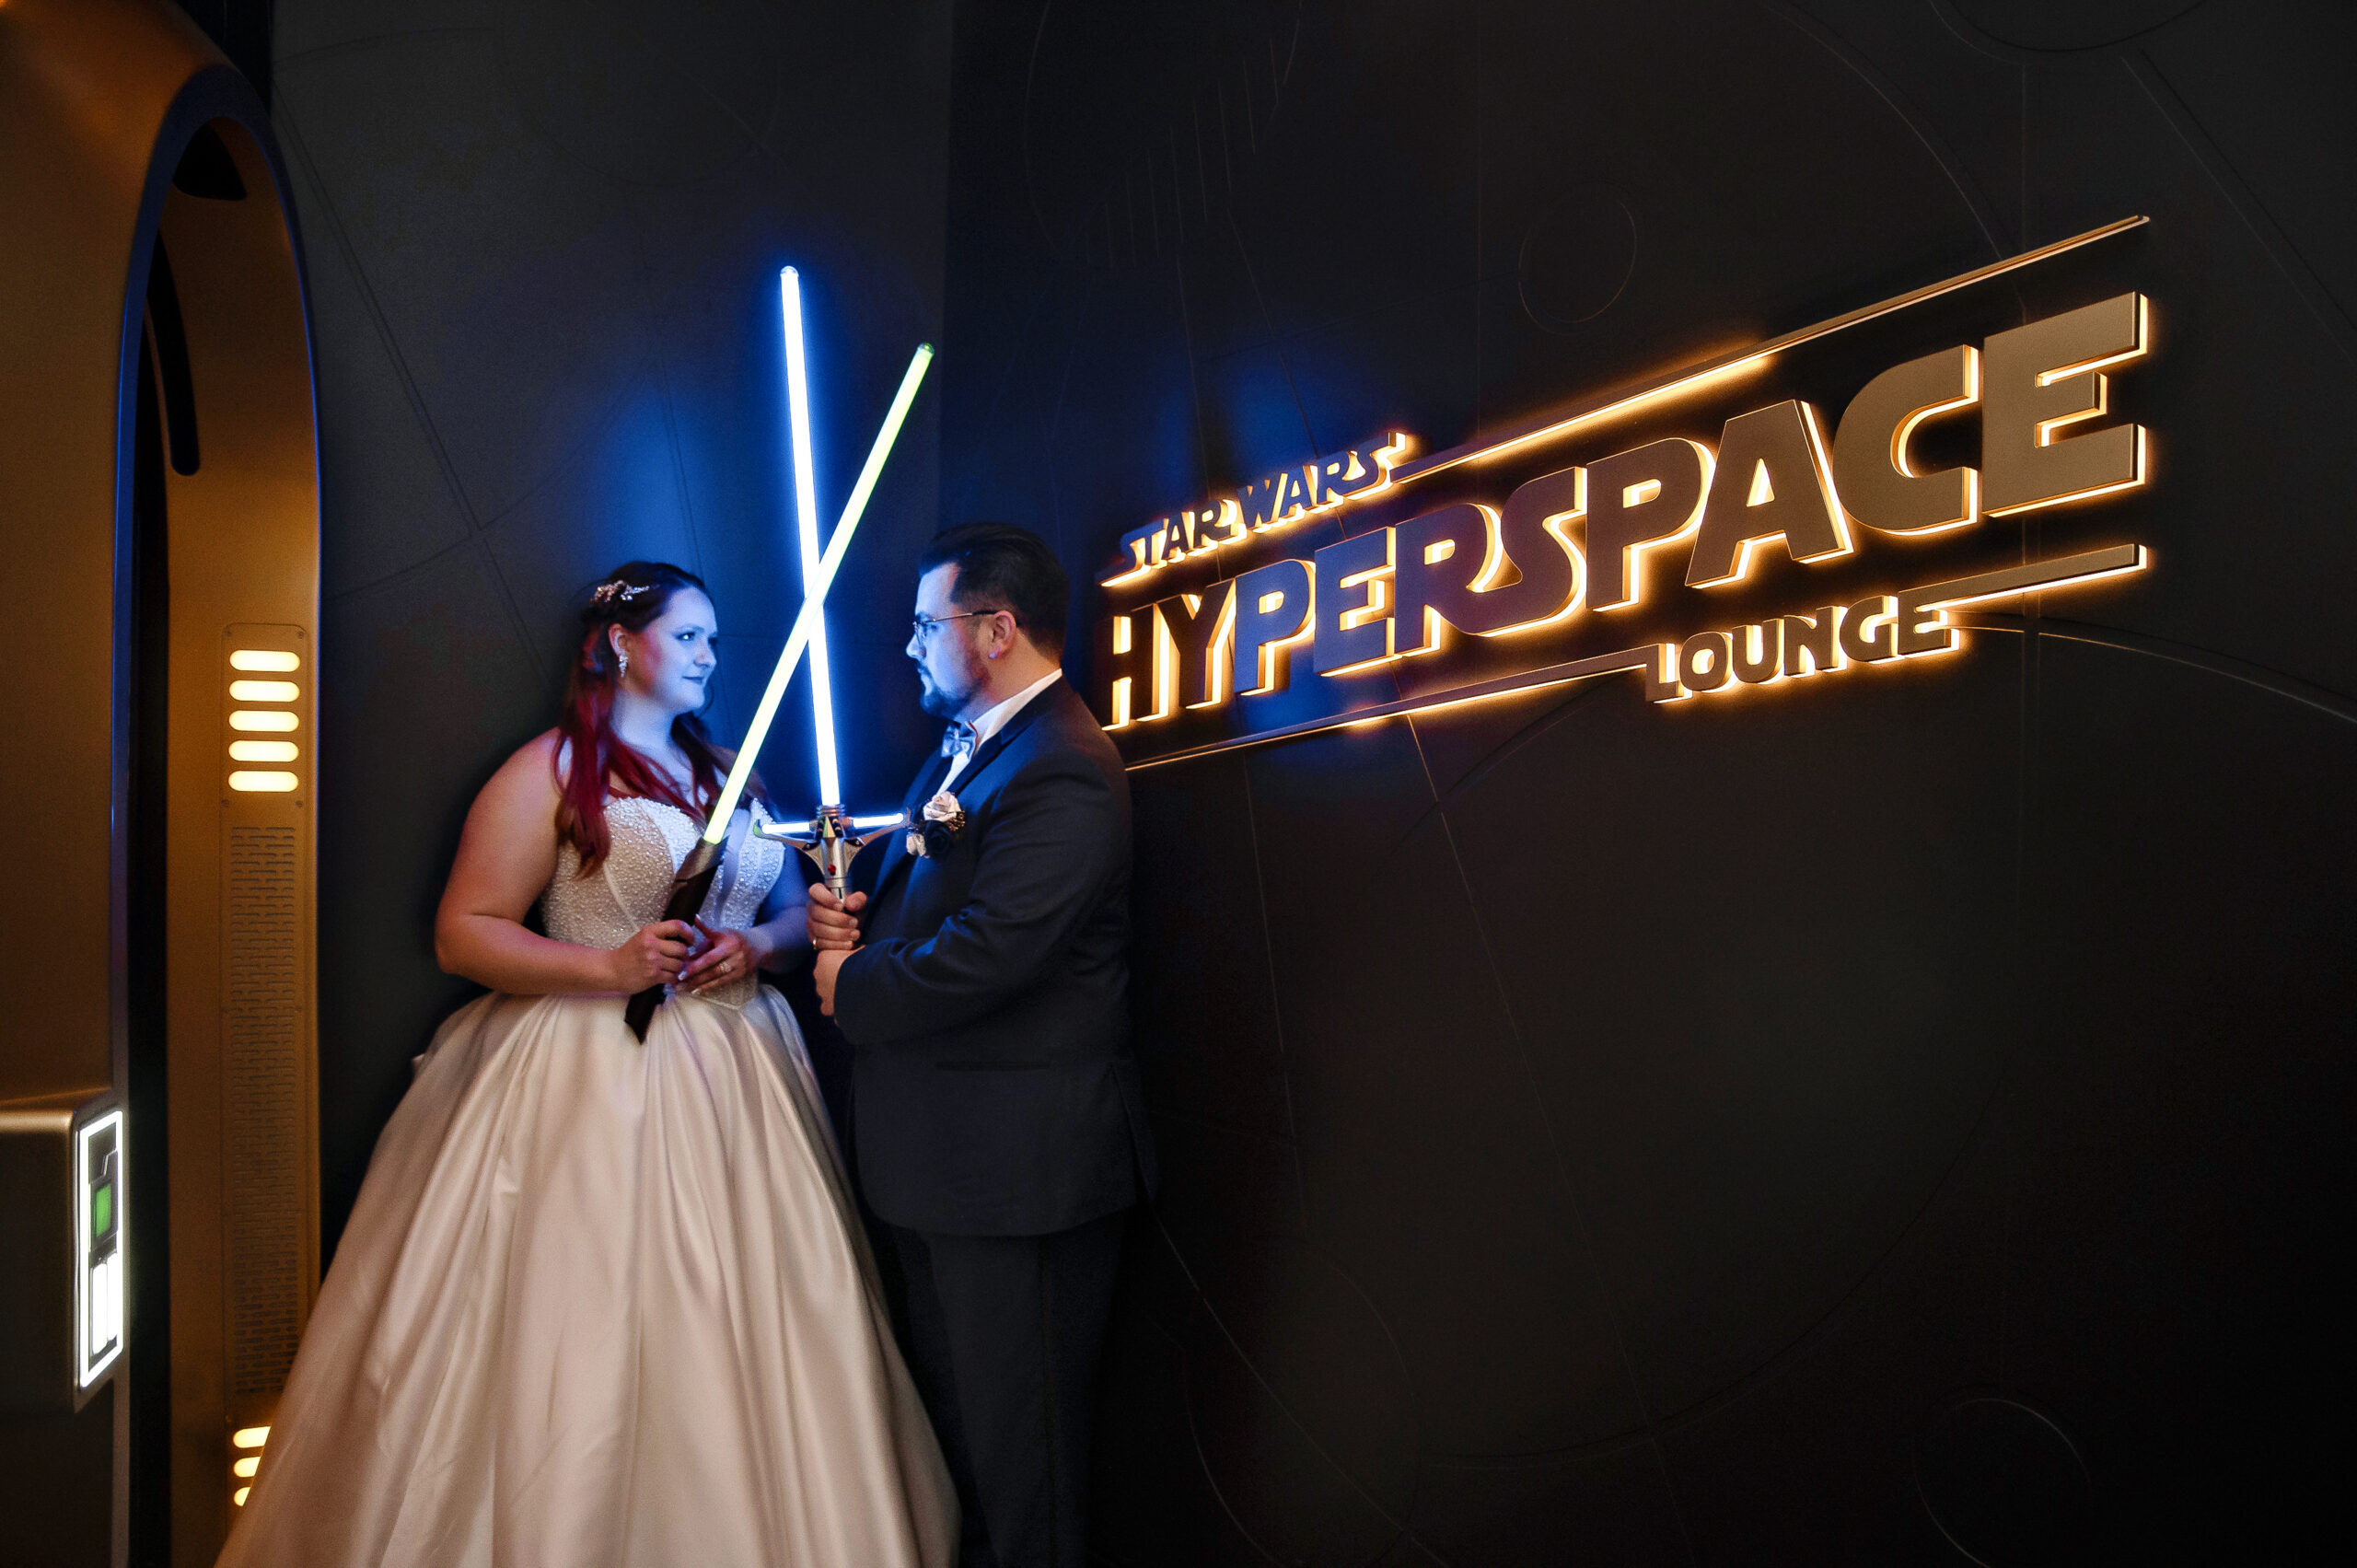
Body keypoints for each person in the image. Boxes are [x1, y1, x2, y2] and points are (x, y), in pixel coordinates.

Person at [217, 562, 956, 1568]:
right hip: (586, 1072)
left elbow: (784, 912)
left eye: (711, 640)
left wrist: (760, 947)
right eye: (688, 635)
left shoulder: (726, 765)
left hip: (742, 1071)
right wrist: (606, 966)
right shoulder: (551, 769)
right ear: (619, 644)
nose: (707, 655)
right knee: (579, 1321)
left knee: (761, 1326)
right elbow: (461, 931)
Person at [807, 524, 1156, 1568]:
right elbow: (943, 905)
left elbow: (994, 952)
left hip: (1020, 1183)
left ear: (995, 629)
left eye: (927, 623)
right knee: (966, 1445)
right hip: (948, 1173)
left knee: (1027, 1469)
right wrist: (856, 921)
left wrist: (845, 980)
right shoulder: (977, 749)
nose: (910, 645)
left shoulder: (1065, 767)